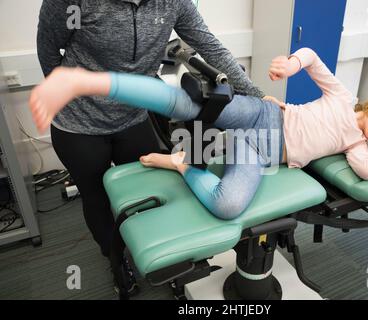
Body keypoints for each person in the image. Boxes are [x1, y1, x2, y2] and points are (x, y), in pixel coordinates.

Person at [29, 47, 368, 222]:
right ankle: (87, 81)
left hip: (257, 154)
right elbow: (312, 56)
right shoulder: (343, 97)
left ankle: (183, 164)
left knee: (228, 206)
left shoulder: (357, 146)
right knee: (186, 105)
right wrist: (293, 64)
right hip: (263, 117)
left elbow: (367, 172)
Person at [36, 0, 265, 294]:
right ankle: (117, 260)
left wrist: (257, 97)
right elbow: (47, 50)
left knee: (149, 192)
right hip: (79, 123)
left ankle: (156, 253)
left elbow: (211, 47)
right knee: (96, 198)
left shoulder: (173, 3)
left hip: (134, 116)